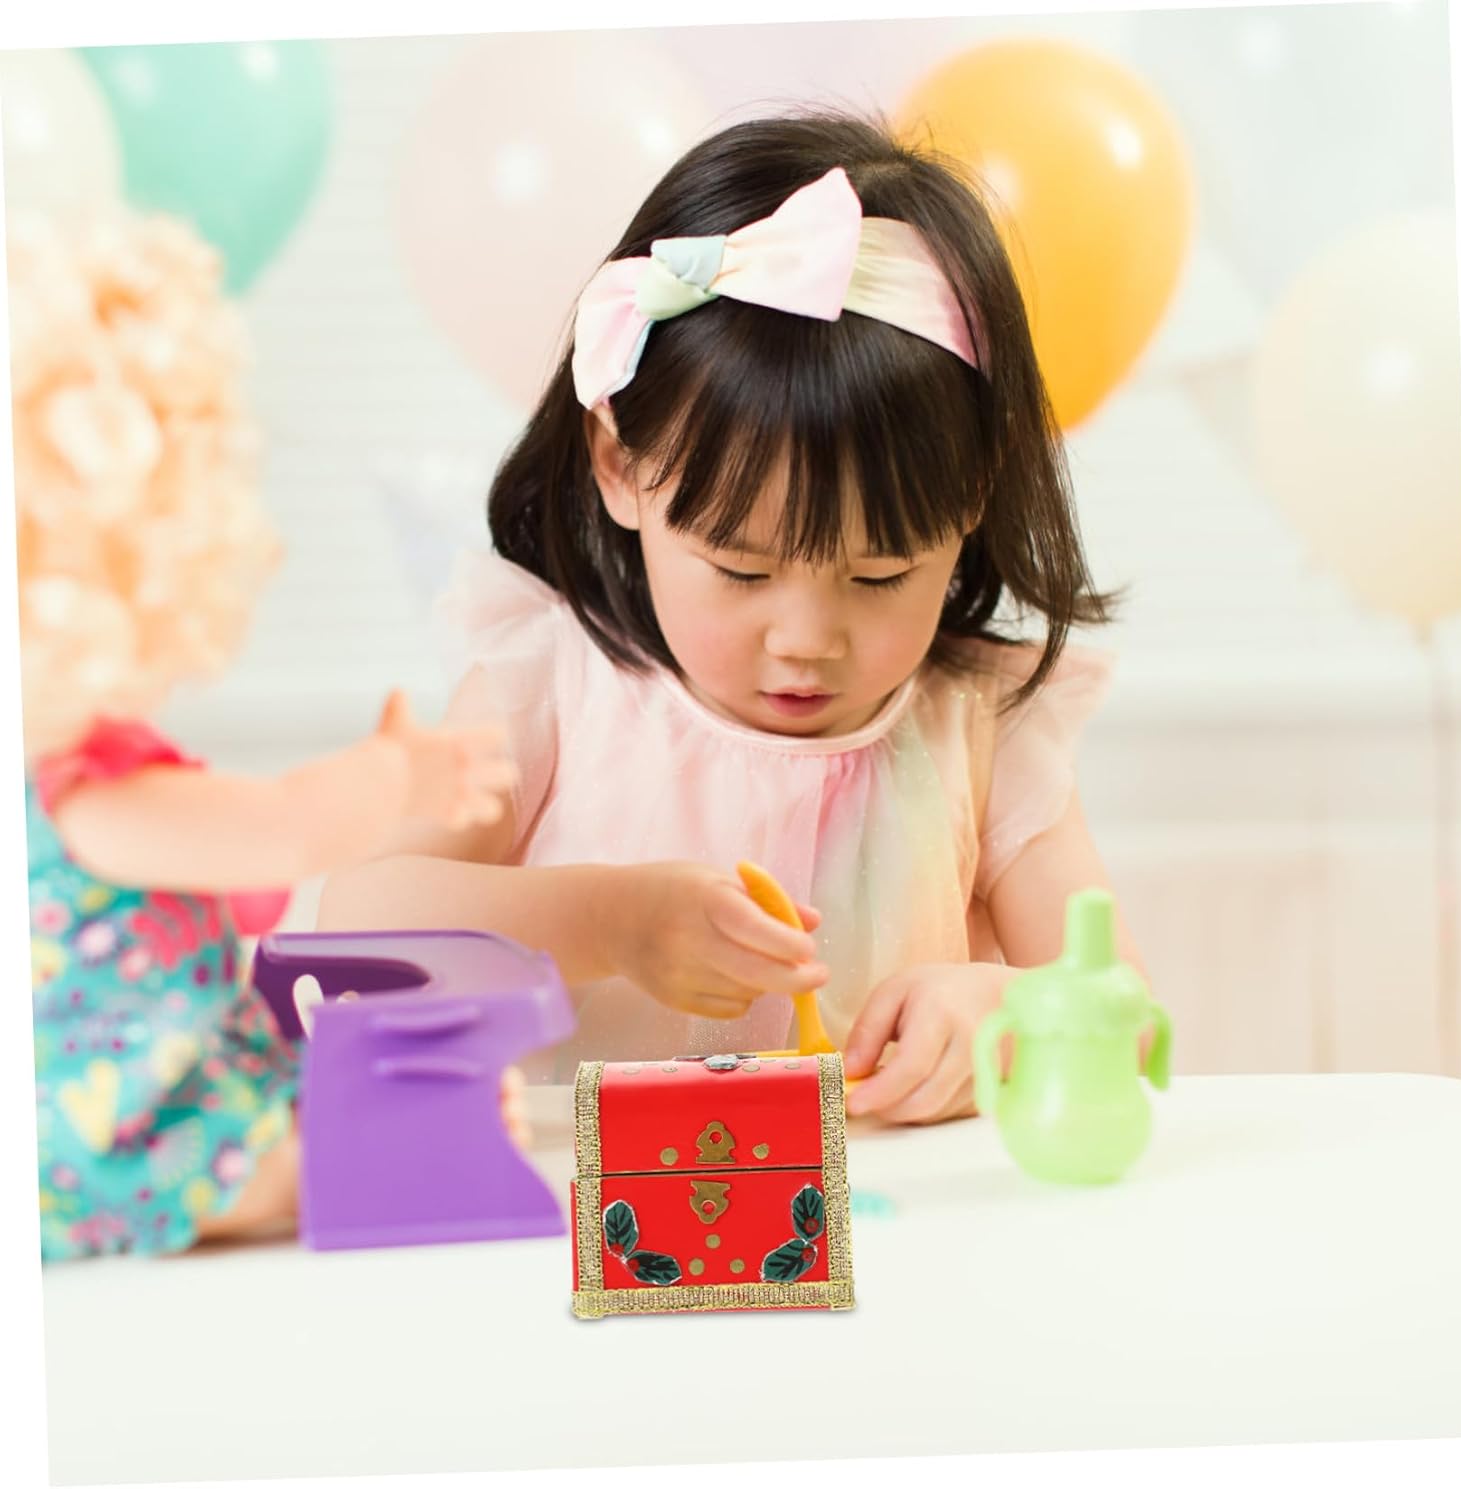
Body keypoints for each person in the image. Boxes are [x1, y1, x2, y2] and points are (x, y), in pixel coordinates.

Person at [319, 110, 1146, 1124]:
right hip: (590, 1222)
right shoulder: (551, 689)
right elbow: (352, 926)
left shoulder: (980, 726)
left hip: (900, 1220)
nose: (806, 639)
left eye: (880, 575)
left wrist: (1008, 1011)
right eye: (741, 569)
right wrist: (608, 922)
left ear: (974, 493)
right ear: (621, 466)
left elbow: (1129, 1019)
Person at [14, 207, 517, 1259]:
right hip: (109, 1133)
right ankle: (366, 1156)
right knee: (270, 1166)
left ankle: (367, 1123)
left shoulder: (81, 776)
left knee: (300, 1074)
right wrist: (397, 775)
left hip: (185, 1064)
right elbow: (277, 829)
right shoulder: (89, 805)